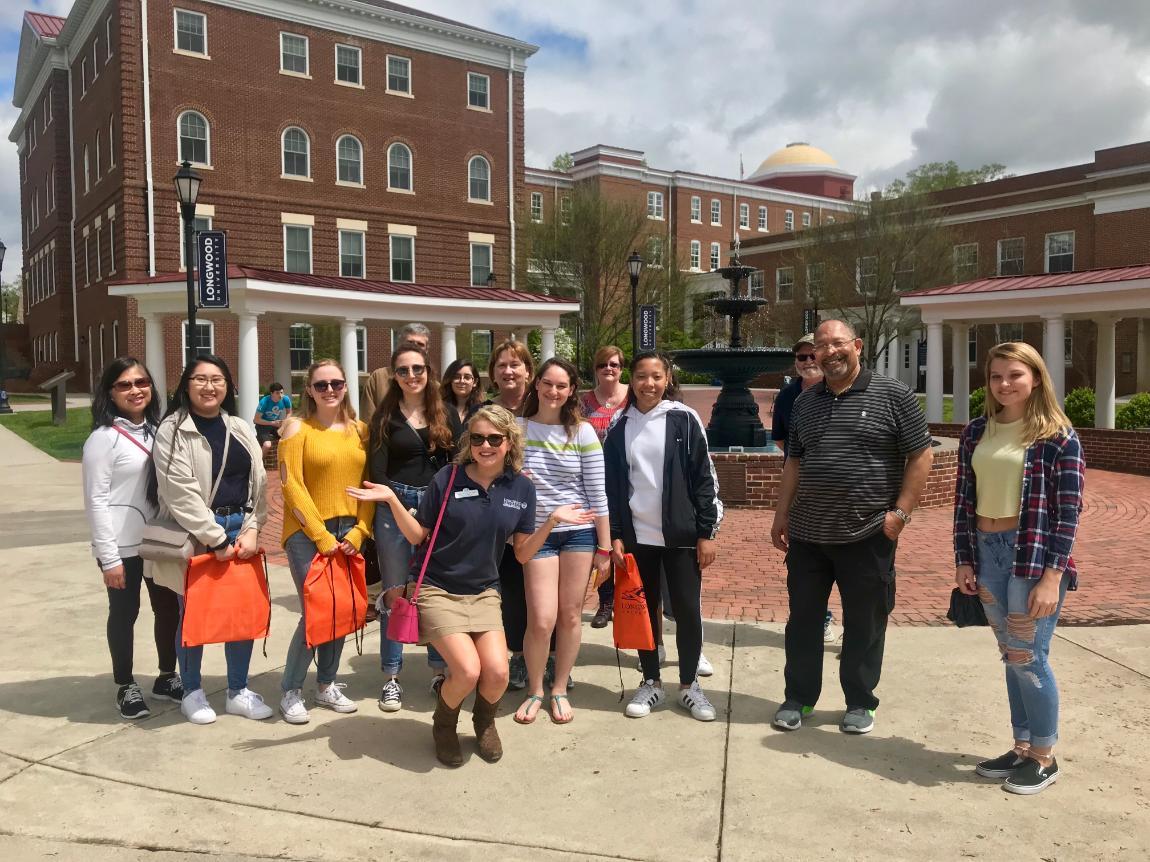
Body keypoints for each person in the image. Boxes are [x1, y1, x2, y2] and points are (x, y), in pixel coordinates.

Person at [348, 406, 593, 766]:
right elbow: (419, 534)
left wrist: (552, 521)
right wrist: (390, 499)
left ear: (509, 443)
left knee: (497, 672)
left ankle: (483, 722)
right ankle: (444, 725)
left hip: (483, 592)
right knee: (466, 671)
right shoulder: (448, 479)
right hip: (437, 588)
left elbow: (523, 554)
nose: (486, 445)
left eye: (495, 439)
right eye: (478, 438)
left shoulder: (521, 488)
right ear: (469, 442)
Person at [769, 320, 932, 735]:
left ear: (857, 345)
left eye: (837, 343)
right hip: (808, 534)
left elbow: (920, 454)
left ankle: (860, 701)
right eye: (821, 346)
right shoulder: (806, 402)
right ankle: (799, 697)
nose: (829, 352)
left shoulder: (893, 394)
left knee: (865, 621)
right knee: (802, 620)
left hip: (868, 533)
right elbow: (794, 462)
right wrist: (781, 514)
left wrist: (901, 513)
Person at [954, 341, 1084, 794]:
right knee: (1011, 657)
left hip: (1032, 558)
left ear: (1035, 379)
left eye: (1015, 375)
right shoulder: (976, 432)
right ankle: (1022, 747)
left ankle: (1045, 757)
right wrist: (963, 558)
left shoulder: (1057, 437)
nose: (1005, 383)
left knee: (1029, 657)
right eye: (996, 376)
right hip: (986, 551)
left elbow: (1068, 513)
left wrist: (1053, 576)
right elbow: (962, 502)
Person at [148, 355, 270, 725]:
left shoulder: (239, 427)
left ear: (228, 386)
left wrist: (252, 527)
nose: (208, 386)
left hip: (240, 529)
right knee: (194, 616)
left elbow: (260, 483)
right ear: (185, 386)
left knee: (240, 613)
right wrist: (215, 539)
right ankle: (192, 690)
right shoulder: (173, 429)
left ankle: (237, 691)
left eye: (217, 379)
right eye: (199, 379)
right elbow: (177, 492)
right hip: (198, 533)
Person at [603, 351, 723, 722]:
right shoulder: (619, 426)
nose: (649, 384)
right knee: (644, 612)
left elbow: (704, 478)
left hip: (682, 536)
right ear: (631, 379)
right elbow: (613, 487)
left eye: (656, 376)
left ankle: (689, 685)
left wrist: (707, 532)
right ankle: (651, 680)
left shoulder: (684, 419)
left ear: (667, 378)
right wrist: (617, 536)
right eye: (641, 376)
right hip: (638, 538)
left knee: (688, 611)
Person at [82, 357, 182, 719]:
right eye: (124, 384)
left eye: (141, 382)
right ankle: (125, 684)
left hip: (159, 541)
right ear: (110, 392)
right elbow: (95, 500)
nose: (135, 390)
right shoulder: (103, 439)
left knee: (167, 609)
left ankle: (166, 676)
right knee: (125, 613)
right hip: (121, 546)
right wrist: (108, 558)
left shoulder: (161, 430)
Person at [513, 358, 611, 725]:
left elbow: (597, 493)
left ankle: (559, 689)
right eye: (548, 384)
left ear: (571, 391)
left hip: (579, 534)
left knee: (570, 615)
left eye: (562, 386)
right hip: (536, 533)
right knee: (540, 618)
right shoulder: (518, 428)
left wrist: (603, 548)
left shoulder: (582, 432)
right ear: (536, 385)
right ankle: (535, 689)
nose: (554, 391)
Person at [276, 359, 372, 724]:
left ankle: (327, 683)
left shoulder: (361, 431)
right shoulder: (297, 429)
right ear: (309, 391)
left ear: (346, 386)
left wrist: (359, 531)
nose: (330, 390)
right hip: (307, 533)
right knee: (316, 611)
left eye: (336, 383)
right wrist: (321, 535)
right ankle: (291, 689)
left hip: (348, 531)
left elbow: (369, 488)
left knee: (341, 611)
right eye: (321, 385)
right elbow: (290, 486)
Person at [368, 344, 455, 712]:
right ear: (394, 376)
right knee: (395, 592)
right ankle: (391, 676)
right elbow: (378, 471)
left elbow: (457, 463)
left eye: (418, 369)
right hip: (394, 505)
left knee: (433, 590)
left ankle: (438, 670)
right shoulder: (385, 418)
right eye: (403, 370)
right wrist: (398, 504)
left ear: (428, 372)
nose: (411, 376)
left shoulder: (446, 413)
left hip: (436, 505)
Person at [481, 340, 539, 691]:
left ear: (528, 371)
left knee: (548, 598)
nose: (509, 371)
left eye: (515, 364)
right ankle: (518, 656)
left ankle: (548, 657)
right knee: (514, 591)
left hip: (546, 514)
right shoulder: (486, 411)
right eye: (501, 365)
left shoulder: (544, 406)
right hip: (502, 515)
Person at [771, 334, 837, 643]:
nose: (809, 361)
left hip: (842, 496)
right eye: (802, 357)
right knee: (805, 563)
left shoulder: (841, 392)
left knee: (850, 565)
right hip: (802, 493)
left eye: (814, 355)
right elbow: (783, 441)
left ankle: (856, 625)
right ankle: (816, 617)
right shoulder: (787, 396)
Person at [579, 345, 629, 629]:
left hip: (626, 482)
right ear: (595, 369)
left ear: (622, 368)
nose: (608, 369)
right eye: (603, 365)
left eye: (614, 364)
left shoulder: (632, 398)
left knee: (625, 544)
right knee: (601, 544)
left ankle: (626, 600)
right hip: (594, 482)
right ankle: (605, 600)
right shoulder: (584, 403)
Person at [361, 323, 430, 419]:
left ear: (426, 350)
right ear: (399, 345)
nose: (415, 347)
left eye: (420, 344)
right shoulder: (378, 379)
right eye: (410, 343)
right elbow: (367, 421)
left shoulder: (434, 384)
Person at [441, 358, 483, 427]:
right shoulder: (438, 409)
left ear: (475, 382)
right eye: (456, 377)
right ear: (450, 380)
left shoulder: (482, 410)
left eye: (467, 377)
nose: (462, 381)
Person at [253, 382, 292, 454]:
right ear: (271, 393)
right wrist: (272, 423)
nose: (280, 395)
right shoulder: (264, 401)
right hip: (262, 426)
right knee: (267, 445)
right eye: (277, 393)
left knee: (289, 437)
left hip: (275, 425)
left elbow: (289, 413)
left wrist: (284, 423)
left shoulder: (285, 399)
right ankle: (259, 463)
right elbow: (256, 420)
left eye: (281, 392)